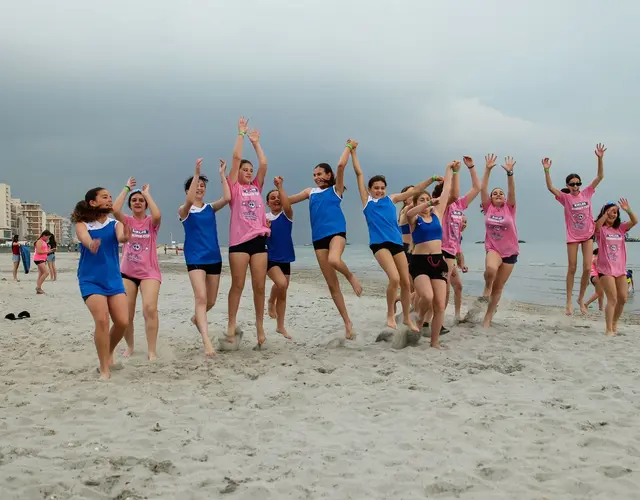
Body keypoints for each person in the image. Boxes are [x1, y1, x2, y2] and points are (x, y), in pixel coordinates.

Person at [351, 141, 439, 332]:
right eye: (376, 187)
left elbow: (414, 191)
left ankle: (407, 318)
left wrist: (431, 179)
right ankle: (390, 314)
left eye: (382, 187)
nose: (380, 190)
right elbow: (359, 173)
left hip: (397, 244)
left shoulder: (391, 199)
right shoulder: (367, 202)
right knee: (394, 279)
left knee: (407, 282)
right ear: (370, 189)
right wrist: (353, 152)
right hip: (379, 244)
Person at [288, 139, 363, 339]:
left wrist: (348, 147)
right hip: (318, 239)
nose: (316, 178)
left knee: (334, 260)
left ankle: (351, 276)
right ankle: (347, 323)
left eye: (320, 174)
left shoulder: (336, 190)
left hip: (336, 233)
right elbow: (288, 200)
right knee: (332, 285)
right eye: (314, 175)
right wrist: (276, 191)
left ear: (328, 175)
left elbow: (340, 165)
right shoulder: (309, 192)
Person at [72, 187, 132, 379]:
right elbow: (84, 238)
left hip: (113, 279)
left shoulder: (114, 223)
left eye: (110, 197)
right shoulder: (83, 224)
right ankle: (104, 368)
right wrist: (91, 244)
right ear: (93, 202)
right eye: (104, 197)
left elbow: (122, 237)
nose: (109, 200)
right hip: (90, 279)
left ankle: (108, 353)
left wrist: (127, 235)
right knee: (102, 321)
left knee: (122, 322)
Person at [542, 143, 606, 315]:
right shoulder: (565, 197)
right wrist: (547, 170)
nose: (576, 186)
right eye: (572, 184)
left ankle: (580, 299)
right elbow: (550, 188)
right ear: (568, 185)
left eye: (578, 183)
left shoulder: (587, 193)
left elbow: (600, 176)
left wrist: (600, 158)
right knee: (572, 267)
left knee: (587, 268)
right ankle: (569, 302)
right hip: (573, 236)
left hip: (588, 234)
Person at [223, 117, 271, 347]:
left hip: (259, 239)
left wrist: (256, 143)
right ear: (238, 173)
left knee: (259, 286)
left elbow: (264, 165)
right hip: (239, 242)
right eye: (245, 170)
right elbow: (234, 159)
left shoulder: (256, 187)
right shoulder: (235, 187)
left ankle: (260, 325)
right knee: (238, 284)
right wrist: (241, 135)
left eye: (250, 170)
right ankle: (231, 323)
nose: (249, 172)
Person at [179, 157, 231, 357]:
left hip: (214, 258)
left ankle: (196, 319)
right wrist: (197, 172)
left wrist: (221, 175)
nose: (200, 188)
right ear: (188, 190)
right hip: (195, 259)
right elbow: (190, 200)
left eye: (202, 186)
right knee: (201, 298)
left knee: (210, 302)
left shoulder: (210, 208)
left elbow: (227, 198)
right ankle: (206, 341)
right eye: (196, 185)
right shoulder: (184, 211)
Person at [405, 160, 457, 349]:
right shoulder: (414, 218)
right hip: (419, 262)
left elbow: (446, 191)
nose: (426, 203)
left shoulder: (437, 214)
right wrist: (426, 203)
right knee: (426, 296)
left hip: (438, 261)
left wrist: (449, 170)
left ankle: (435, 342)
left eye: (427, 200)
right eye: (422, 200)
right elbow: (410, 212)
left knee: (440, 305)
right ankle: (418, 322)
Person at [112, 178, 162, 361]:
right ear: (130, 205)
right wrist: (127, 188)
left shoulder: (151, 222)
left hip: (150, 272)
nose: (138, 202)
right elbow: (115, 210)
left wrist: (147, 193)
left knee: (150, 309)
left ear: (146, 204)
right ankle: (130, 346)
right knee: (126, 314)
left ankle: (151, 350)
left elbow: (158, 215)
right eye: (134, 200)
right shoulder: (126, 221)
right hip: (127, 272)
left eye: (141, 200)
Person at [468, 155, 520, 328]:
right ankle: (486, 287)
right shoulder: (488, 207)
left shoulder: (509, 208)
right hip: (493, 248)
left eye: (501, 193)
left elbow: (512, 191)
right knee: (490, 269)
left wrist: (510, 174)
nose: (498, 195)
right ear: (490, 199)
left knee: (499, 288)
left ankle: (488, 318)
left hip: (510, 252)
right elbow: (483, 189)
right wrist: (487, 169)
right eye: (495, 193)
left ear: (505, 199)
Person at [433, 155, 481, 322]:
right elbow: (453, 193)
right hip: (442, 250)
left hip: (452, 252)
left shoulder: (459, 205)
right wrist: (455, 172)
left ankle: (456, 316)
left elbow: (477, 188)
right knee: (443, 288)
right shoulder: (441, 204)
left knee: (458, 286)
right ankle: (435, 320)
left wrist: (471, 167)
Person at [594, 199, 637, 335]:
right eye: (612, 212)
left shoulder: (621, 228)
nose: (614, 214)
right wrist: (606, 215)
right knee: (612, 299)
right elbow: (596, 227)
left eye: (616, 212)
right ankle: (608, 329)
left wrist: (627, 209)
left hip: (620, 269)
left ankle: (614, 322)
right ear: (605, 212)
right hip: (606, 269)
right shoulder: (601, 229)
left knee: (623, 298)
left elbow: (635, 221)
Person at [265, 176, 299, 339]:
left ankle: (280, 326)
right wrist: (263, 227)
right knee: (281, 283)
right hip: (269, 257)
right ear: (267, 203)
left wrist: (280, 187)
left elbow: (287, 205)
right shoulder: (263, 218)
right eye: (272, 198)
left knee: (283, 290)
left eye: (278, 198)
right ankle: (271, 300)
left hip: (285, 257)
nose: (276, 200)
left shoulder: (287, 215)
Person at [33, 230, 52, 294]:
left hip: (42, 259)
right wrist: (48, 251)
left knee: (41, 274)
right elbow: (38, 251)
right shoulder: (39, 241)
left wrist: (49, 249)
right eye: (47, 237)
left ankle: (39, 288)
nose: (48, 239)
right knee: (46, 273)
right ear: (44, 235)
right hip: (38, 259)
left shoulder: (43, 242)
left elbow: (44, 251)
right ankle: (38, 287)